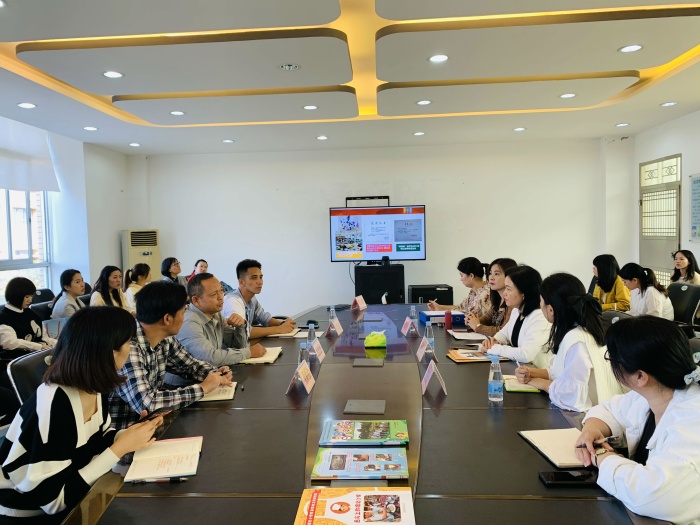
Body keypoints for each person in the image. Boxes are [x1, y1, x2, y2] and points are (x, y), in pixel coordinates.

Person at [0, 307, 162, 518]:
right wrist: (120, 447)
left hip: (76, 495)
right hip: (28, 513)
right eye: (128, 342)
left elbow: (97, 439)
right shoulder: (54, 406)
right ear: (109, 352)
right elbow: (54, 501)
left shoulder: (93, 387)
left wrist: (128, 435)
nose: (131, 349)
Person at [575, 317, 700, 525]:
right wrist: (591, 429)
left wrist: (601, 455)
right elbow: (609, 409)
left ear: (640, 376)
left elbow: (653, 495)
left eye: (612, 359)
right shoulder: (655, 392)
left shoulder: (692, 419)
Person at [109, 281, 233, 431]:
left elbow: (189, 365)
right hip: (126, 432)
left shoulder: (164, 337)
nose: (184, 318)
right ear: (167, 319)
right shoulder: (129, 346)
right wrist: (203, 388)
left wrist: (215, 374)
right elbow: (148, 404)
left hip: (154, 425)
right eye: (183, 312)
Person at [514, 273, 623, 412]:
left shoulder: (577, 341)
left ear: (551, 309)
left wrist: (535, 382)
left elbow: (570, 396)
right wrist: (531, 373)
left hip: (593, 415)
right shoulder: (581, 329)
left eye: (541, 301)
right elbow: (562, 372)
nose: (540, 306)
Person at [166, 274, 265, 385]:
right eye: (214, 294)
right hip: (182, 386)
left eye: (221, 291)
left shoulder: (215, 313)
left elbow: (237, 346)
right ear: (196, 300)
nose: (221, 297)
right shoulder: (188, 321)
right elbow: (209, 357)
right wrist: (249, 352)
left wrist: (240, 326)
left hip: (207, 375)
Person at [482, 265, 551, 368]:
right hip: (521, 369)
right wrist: (493, 341)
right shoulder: (516, 311)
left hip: (538, 371)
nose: (504, 293)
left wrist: (494, 348)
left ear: (524, 293)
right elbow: (504, 333)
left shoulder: (540, 317)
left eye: (508, 289)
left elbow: (525, 355)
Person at [221, 259, 296, 344]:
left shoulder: (252, 298)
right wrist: (279, 329)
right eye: (254, 277)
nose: (260, 282)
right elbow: (245, 332)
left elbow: (265, 319)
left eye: (260, 277)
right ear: (242, 282)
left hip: (243, 346)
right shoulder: (233, 301)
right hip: (229, 350)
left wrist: (284, 324)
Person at [0, 277, 56, 352]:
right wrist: (39, 347)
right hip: (18, 357)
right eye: (27, 297)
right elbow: (10, 343)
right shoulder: (4, 318)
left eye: (31, 296)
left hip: (39, 354)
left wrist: (60, 343)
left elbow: (44, 338)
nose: (30, 300)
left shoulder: (30, 313)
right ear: (16, 295)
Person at [466, 258, 518, 336]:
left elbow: (503, 331)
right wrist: (471, 321)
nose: (491, 277)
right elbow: (486, 319)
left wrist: (477, 326)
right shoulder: (497, 299)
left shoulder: (512, 302)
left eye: (496, 274)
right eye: (490, 273)